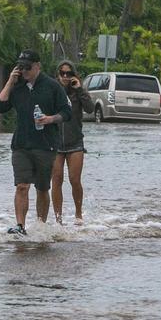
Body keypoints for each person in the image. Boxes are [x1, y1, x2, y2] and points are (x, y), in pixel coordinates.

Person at [0, 49, 72, 235]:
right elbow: (0, 106)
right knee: (22, 185)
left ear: (38, 66)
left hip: (45, 146)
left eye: (28, 67)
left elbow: (67, 112)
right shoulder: (17, 86)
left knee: (42, 188)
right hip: (21, 145)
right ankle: (20, 226)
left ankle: (40, 225)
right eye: (21, 67)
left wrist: (50, 119)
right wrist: (10, 81)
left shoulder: (52, 86)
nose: (24, 71)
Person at [51, 59, 94, 224]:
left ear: (73, 75)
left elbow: (90, 109)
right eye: (62, 73)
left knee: (74, 179)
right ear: (58, 75)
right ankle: (58, 219)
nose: (65, 76)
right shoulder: (53, 91)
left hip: (75, 142)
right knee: (57, 178)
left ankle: (78, 214)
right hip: (55, 142)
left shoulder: (78, 92)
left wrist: (80, 89)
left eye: (68, 73)